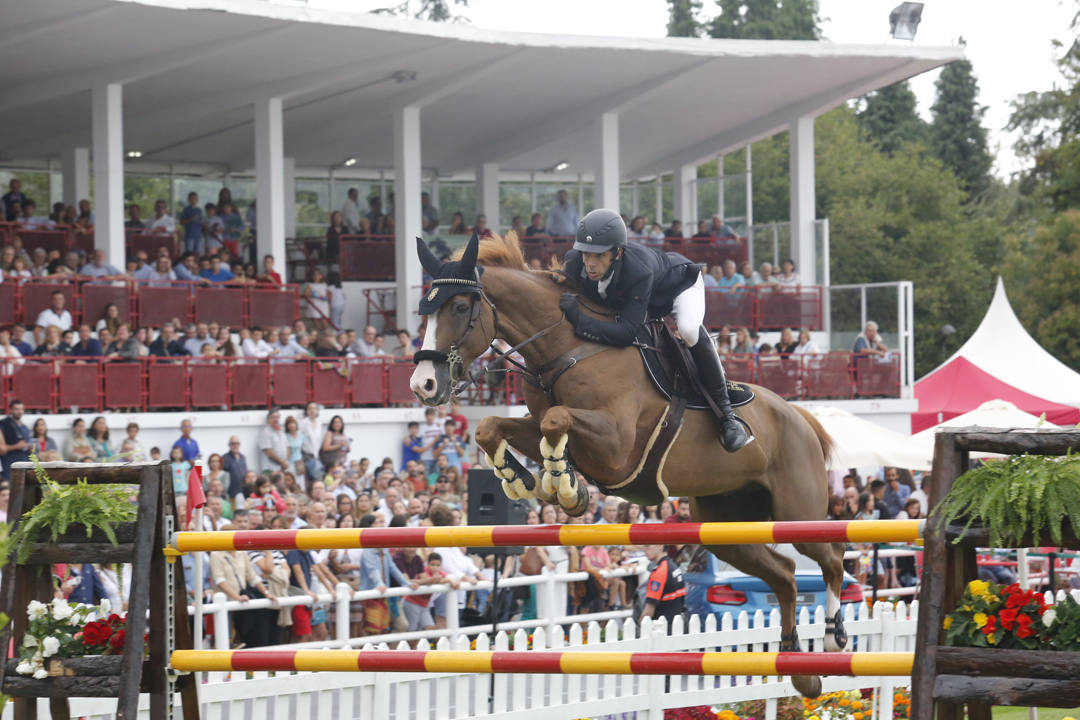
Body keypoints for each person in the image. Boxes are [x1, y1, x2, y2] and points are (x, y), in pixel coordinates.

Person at [556, 209, 751, 452]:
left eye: (598, 255)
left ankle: (727, 416)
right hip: (645, 300)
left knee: (688, 330)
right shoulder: (576, 261)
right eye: (585, 254)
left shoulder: (638, 269)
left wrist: (579, 320)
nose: (590, 263)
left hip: (679, 288)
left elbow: (626, 332)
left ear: (617, 252)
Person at [639, 542, 685, 623]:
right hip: (677, 624)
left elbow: (649, 609)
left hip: (661, 627)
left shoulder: (659, 571)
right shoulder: (673, 566)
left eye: (648, 546)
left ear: (660, 546)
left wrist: (640, 626)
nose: (644, 550)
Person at [0, 400, 30, 479]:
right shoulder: (3, 424)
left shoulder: (25, 427)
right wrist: (16, 446)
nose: (20, 412)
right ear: (10, 410)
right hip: (10, 466)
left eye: (21, 409)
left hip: (26, 465)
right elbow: (1, 449)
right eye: (16, 409)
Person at [257, 409, 290, 475]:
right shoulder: (265, 433)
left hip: (282, 468)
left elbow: (288, 448)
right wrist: (282, 463)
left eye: (277, 417)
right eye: (273, 417)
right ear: (268, 420)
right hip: (270, 470)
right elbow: (269, 453)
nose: (275, 419)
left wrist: (286, 462)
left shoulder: (282, 431)